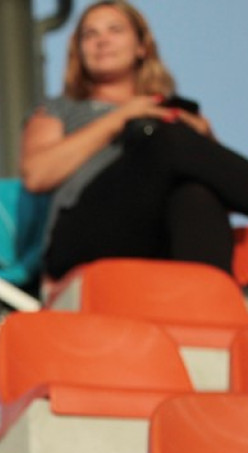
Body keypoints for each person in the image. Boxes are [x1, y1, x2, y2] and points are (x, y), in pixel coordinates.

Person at [20, 0, 248, 281]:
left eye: (115, 30)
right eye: (90, 34)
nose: (102, 40)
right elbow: (37, 174)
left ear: (142, 46)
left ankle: (209, 302)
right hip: (83, 237)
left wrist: (204, 138)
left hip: (157, 235)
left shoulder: (168, 113)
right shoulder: (59, 108)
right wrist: (121, 118)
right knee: (164, 138)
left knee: (195, 195)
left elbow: (223, 195)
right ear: (78, 50)